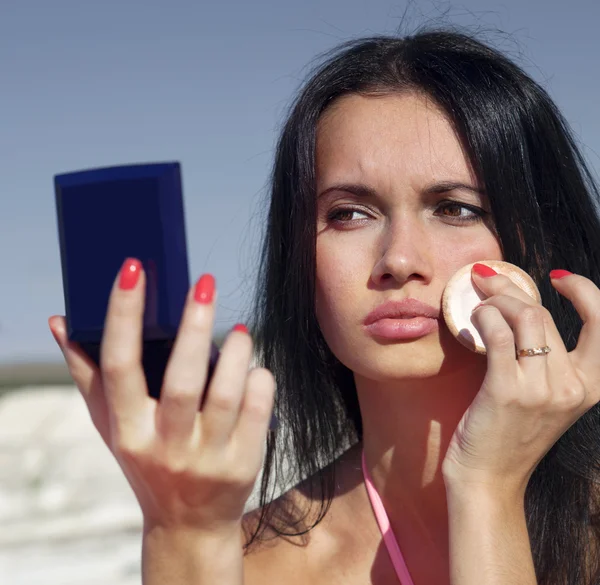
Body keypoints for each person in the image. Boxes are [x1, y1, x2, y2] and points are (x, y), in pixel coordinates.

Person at [48, 28, 600, 585]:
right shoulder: (242, 564)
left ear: (538, 245)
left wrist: (487, 487)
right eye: (349, 214)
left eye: (455, 208)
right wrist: (180, 530)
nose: (399, 259)